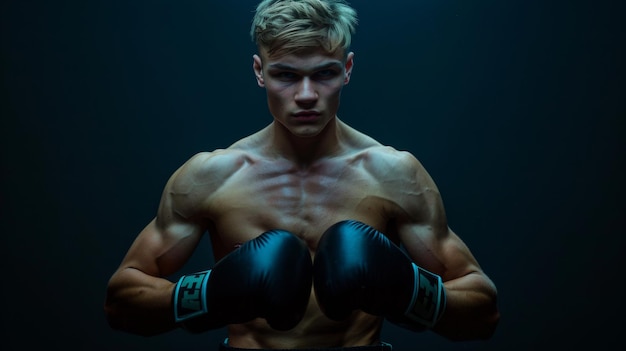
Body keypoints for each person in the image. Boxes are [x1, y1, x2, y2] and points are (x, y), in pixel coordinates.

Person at [104, 0, 500, 349]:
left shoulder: (392, 173)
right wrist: (213, 293)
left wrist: (405, 290)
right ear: (260, 72)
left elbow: (483, 312)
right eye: (287, 75)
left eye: (324, 74)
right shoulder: (211, 176)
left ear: (347, 69)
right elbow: (121, 303)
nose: (307, 94)